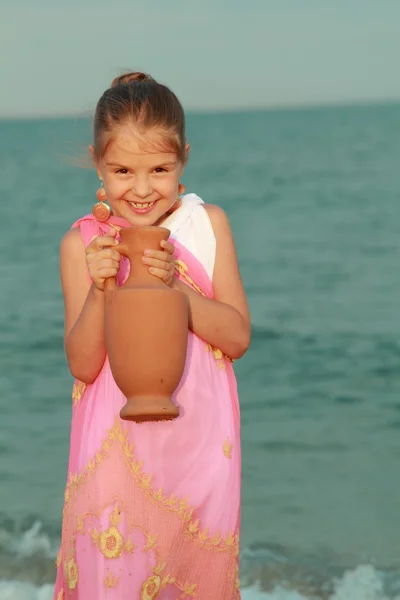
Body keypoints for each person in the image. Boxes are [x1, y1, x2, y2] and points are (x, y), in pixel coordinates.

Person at [54, 71, 250, 600]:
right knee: (115, 576)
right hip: (115, 447)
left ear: (184, 158)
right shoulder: (84, 243)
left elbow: (235, 336)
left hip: (200, 446)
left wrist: (177, 293)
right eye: (122, 171)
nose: (141, 190)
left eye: (160, 169)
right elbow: (83, 364)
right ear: (98, 162)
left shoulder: (206, 225)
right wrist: (102, 289)